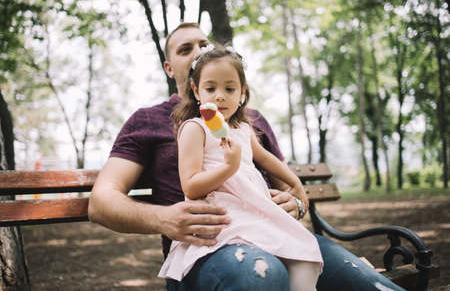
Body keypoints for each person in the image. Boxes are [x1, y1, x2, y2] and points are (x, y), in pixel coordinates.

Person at [88, 22, 406, 291]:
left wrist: (297, 202)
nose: (198, 51)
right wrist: (165, 218)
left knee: (365, 281)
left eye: (204, 43)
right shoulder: (149, 121)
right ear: (170, 68)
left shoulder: (249, 121)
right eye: (185, 49)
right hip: (209, 248)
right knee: (262, 274)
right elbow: (101, 202)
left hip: (279, 234)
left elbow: (292, 190)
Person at [158, 45, 322, 290]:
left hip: (256, 210)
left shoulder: (243, 129)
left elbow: (267, 159)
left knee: (306, 256)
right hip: (225, 215)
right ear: (196, 91)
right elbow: (191, 187)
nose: (220, 96)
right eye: (211, 88)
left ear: (242, 92)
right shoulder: (195, 128)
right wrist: (229, 167)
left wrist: (296, 183)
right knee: (261, 265)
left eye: (229, 88)